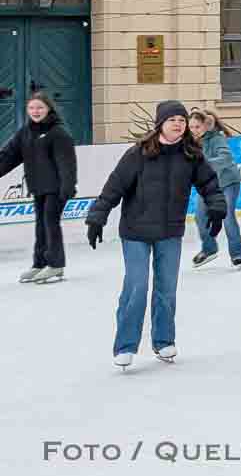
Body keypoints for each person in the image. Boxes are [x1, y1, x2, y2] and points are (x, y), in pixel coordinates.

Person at [85, 101, 227, 370]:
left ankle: (163, 341)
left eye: (182, 120)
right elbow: (114, 187)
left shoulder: (191, 154)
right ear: (160, 123)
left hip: (170, 231)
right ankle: (125, 346)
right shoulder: (138, 153)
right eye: (172, 119)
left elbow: (209, 184)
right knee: (136, 286)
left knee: (166, 289)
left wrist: (218, 208)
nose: (178, 123)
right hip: (136, 232)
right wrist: (97, 217)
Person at [2, 92, 78, 284]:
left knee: (50, 224)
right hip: (38, 188)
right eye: (32, 108)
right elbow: (8, 156)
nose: (35, 111)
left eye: (40, 108)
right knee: (41, 226)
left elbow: (67, 163)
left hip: (57, 188)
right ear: (27, 110)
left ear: (48, 109)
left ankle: (56, 265)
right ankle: (40, 264)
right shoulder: (25, 132)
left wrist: (68, 187)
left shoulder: (58, 132)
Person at [190, 108, 241, 268]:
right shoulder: (191, 141)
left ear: (205, 126)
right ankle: (209, 249)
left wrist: (206, 164)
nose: (194, 130)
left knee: (227, 217)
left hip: (228, 182)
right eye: (191, 127)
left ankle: (237, 253)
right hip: (208, 184)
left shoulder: (217, 139)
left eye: (197, 127)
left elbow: (226, 158)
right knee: (200, 217)